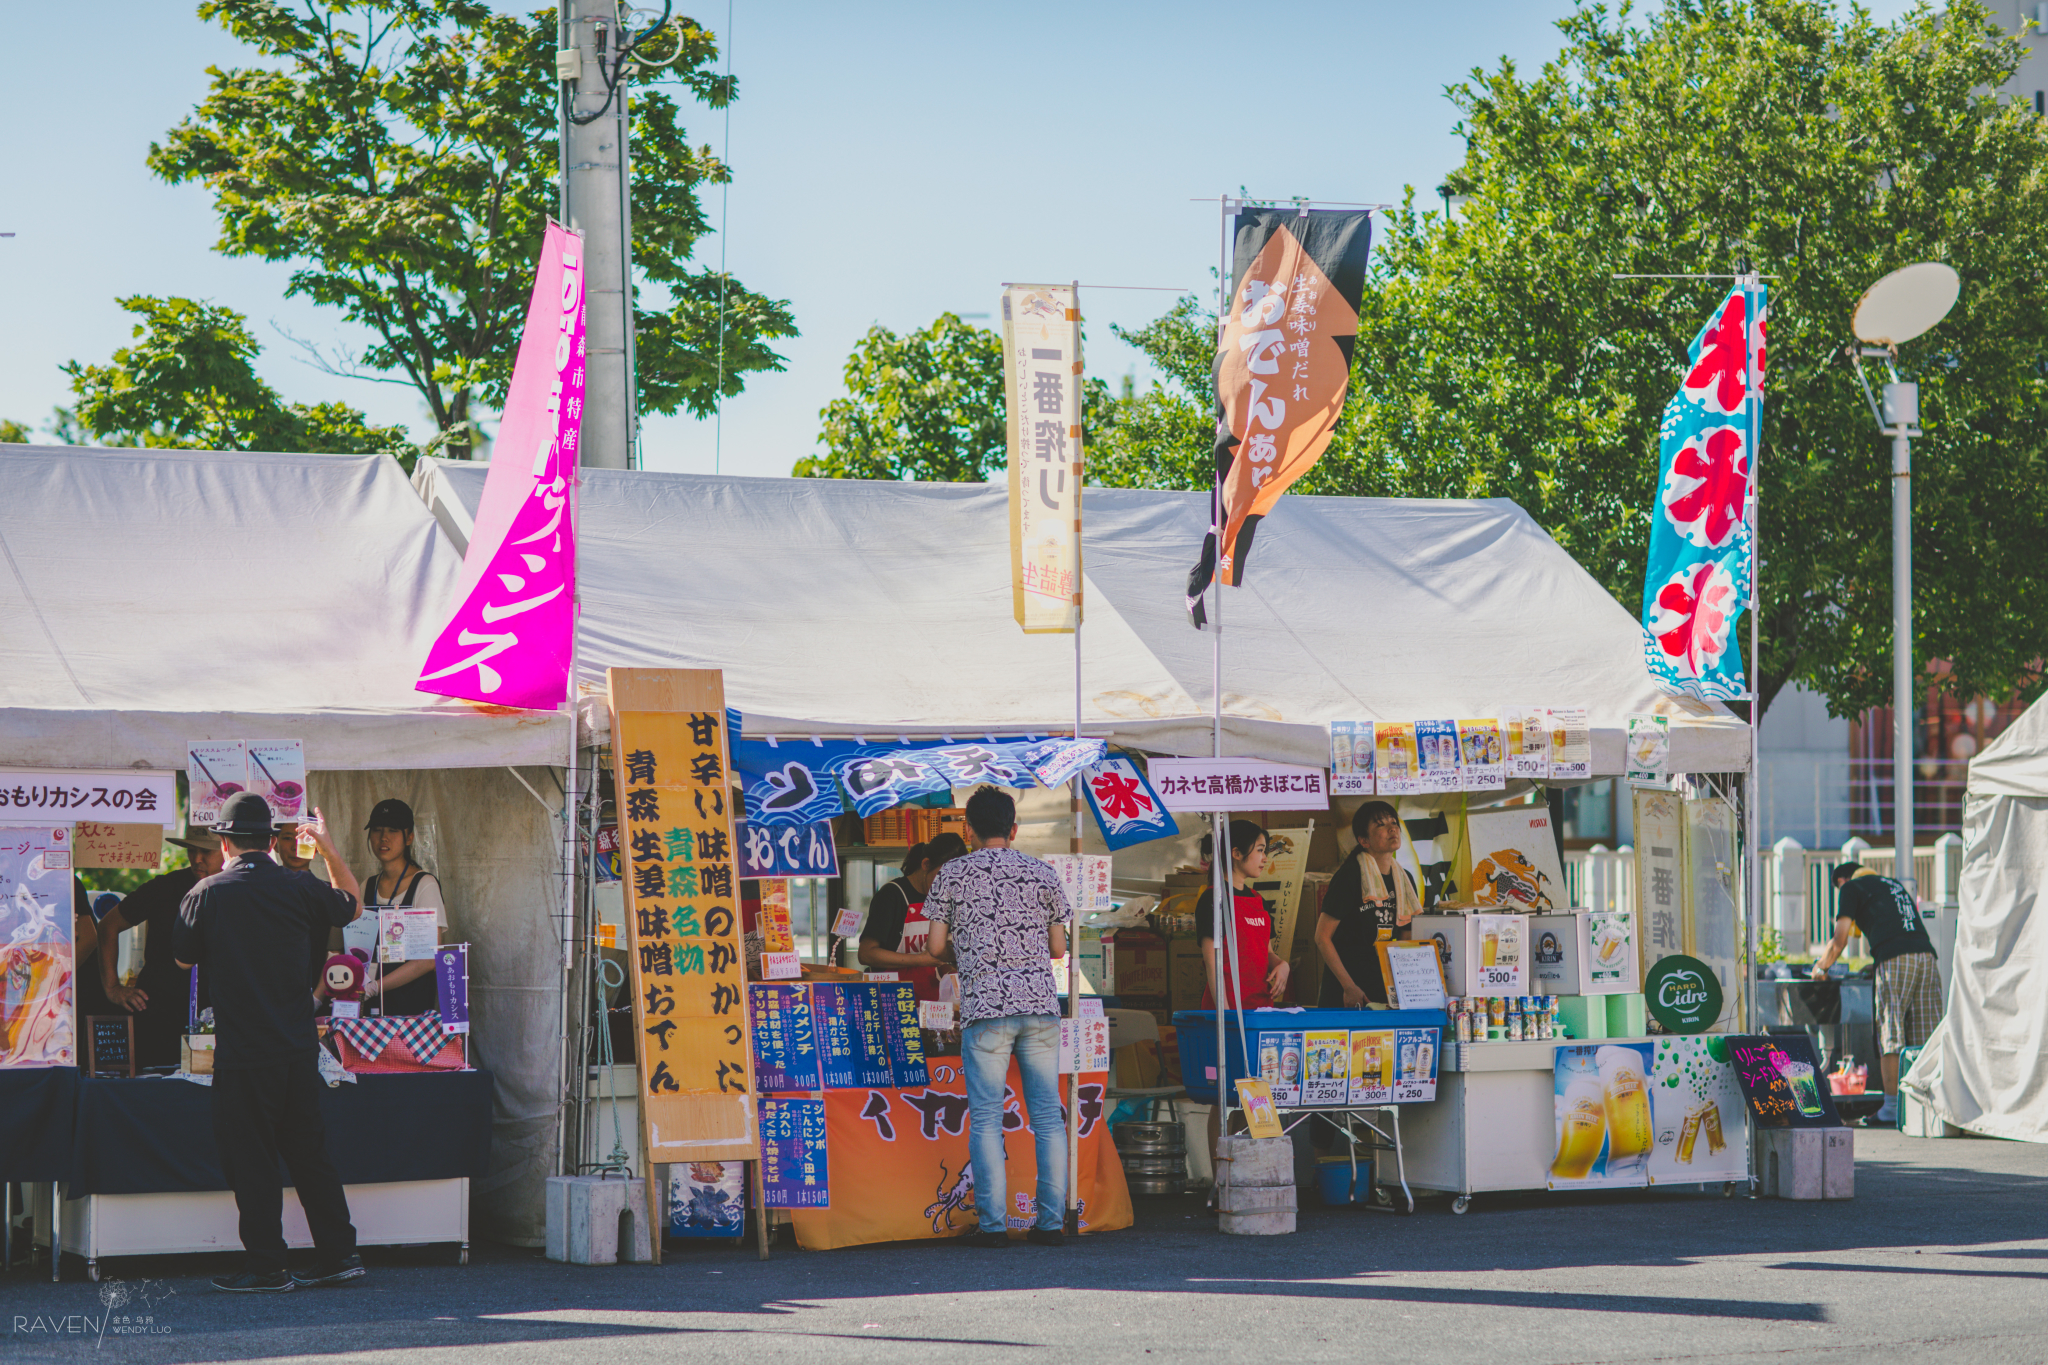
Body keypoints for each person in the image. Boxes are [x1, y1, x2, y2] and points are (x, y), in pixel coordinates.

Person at [173, 793, 365, 1293]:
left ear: (225, 841)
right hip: (299, 1046)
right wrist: (327, 850)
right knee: (310, 1153)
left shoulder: (208, 893)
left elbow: (181, 960)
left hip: (244, 1050)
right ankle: (339, 1253)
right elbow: (352, 905)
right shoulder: (300, 885)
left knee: (251, 1157)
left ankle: (267, 1267)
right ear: (270, 839)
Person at [922, 785, 1069, 1249]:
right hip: (1041, 1007)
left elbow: (933, 947)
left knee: (986, 1119)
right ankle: (1049, 1224)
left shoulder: (951, 875)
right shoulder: (1042, 872)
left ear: (968, 829)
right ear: (1014, 828)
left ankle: (992, 1227)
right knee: (1048, 1117)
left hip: (986, 1007)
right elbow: (1059, 948)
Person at [1813, 861, 1941, 1126]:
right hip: (1926, 957)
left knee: (1891, 1032)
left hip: (1894, 960)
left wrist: (1821, 966)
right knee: (1926, 1036)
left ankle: (1892, 1107)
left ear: (1843, 880)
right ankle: (1928, 1104)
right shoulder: (1892, 884)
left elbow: (1840, 940)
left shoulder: (1850, 887)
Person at [96, 829, 226, 1070]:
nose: (197, 858)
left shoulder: (242, 889)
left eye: (206, 851)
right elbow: (107, 926)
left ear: (227, 847)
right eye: (191, 850)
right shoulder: (165, 887)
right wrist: (112, 987)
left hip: (222, 1017)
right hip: (159, 1014)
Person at [329, 799, 447, 1016]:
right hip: (368, 1009)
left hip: (411, 1011)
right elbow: (349, 943)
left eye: (393, 830)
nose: (383, 837)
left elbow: (429, 959)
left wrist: (375, 987)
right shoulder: (367, 886)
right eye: (377, 830)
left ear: (409, 837)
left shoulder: (424, 884)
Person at [1315, 801, 1422, 1008]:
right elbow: (1321, 937)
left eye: (1394, 822)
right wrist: (1348, 986)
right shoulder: (1350, 875)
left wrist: (1408, 986)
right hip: (1347, 990)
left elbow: (1405, 938)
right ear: (1364, 840)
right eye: (1380, 825)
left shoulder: (1405, 879)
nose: (1392, 828)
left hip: (1385, 988)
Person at [858, 833, 968, 1001]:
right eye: (943, 878)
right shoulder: (892, 895)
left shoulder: (946, 900)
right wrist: (919, 960)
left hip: (930, 1002)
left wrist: (948, 968)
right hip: (891, 999)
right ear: (925, 864)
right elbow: (866, 954)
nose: (948, 886)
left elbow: (941, 957)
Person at [1195, 820, 1289, 1012]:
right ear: (1236, 853)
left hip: (1261, 1010)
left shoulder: (1258, 900)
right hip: (1227, 1012)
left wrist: (1282, 965)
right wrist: (1227, 1015)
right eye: (1260, 850)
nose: (1265, 858)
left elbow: (1266, 951)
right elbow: (1213, 965)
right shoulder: (1213, 899)